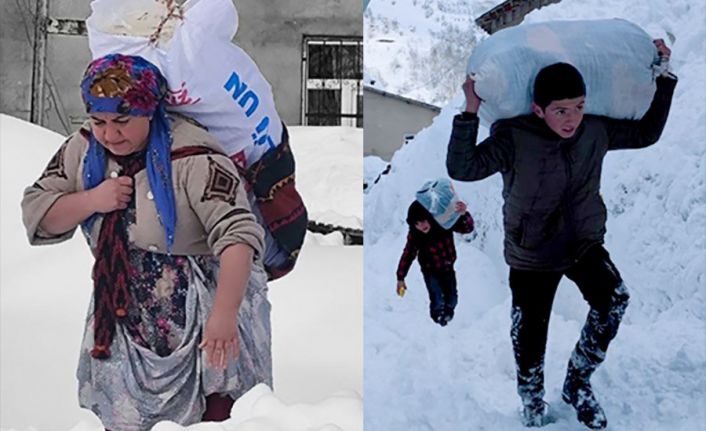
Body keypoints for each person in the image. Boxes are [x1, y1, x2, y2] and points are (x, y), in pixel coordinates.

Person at [21, 54, 272, 430]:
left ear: (150, 111)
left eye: (122, 121)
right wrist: (93, 200)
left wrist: (223, 317)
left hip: (204, 309)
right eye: (99, 121)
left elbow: (238, 235)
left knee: (214, 418)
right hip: (121, 310)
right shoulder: (84, 148)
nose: (109, 134)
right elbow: (38, 210)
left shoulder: (194, 156)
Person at [446, 40, 677, 429]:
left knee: (613, 301)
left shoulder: (595, 131)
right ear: (539, 110)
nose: (572, 119)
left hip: (583, 242)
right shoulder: (514, 138)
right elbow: (463, 166)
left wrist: (665, 76)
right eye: (561, 111)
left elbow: (645, 133)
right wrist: (470, 109)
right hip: (532, 251)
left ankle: (577, 382)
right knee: (530, 336)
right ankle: (532, 401)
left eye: (579, 107)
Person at [396, 199, 474, 326]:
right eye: (417, 223)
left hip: (448, 267)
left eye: (423, 220)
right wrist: (400, 277)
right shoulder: (416, 235)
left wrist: (463, 214)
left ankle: (448, 312)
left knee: (452, 298)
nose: (422, 225)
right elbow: (408, 254)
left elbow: (467, 228)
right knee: (437, 296)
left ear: (430, 217)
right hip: (430, 270)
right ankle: (437, 316)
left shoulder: (443, 223)